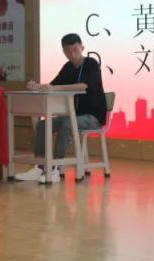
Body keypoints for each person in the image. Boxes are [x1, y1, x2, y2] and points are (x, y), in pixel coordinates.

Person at [15, 33, 106, 184]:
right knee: (42, 125)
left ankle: (55, 168)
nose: (72, 54)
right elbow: (52, 85)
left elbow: (83, 86)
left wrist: (55, 88)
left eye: (75, 50)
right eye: (68, 51)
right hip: (72, 114)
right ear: (63, 51)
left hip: (93, 116)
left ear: (82, 47)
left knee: (66, 124)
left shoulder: (91, 63)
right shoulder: (68, 67)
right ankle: (40, 166)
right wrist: (37, 86)